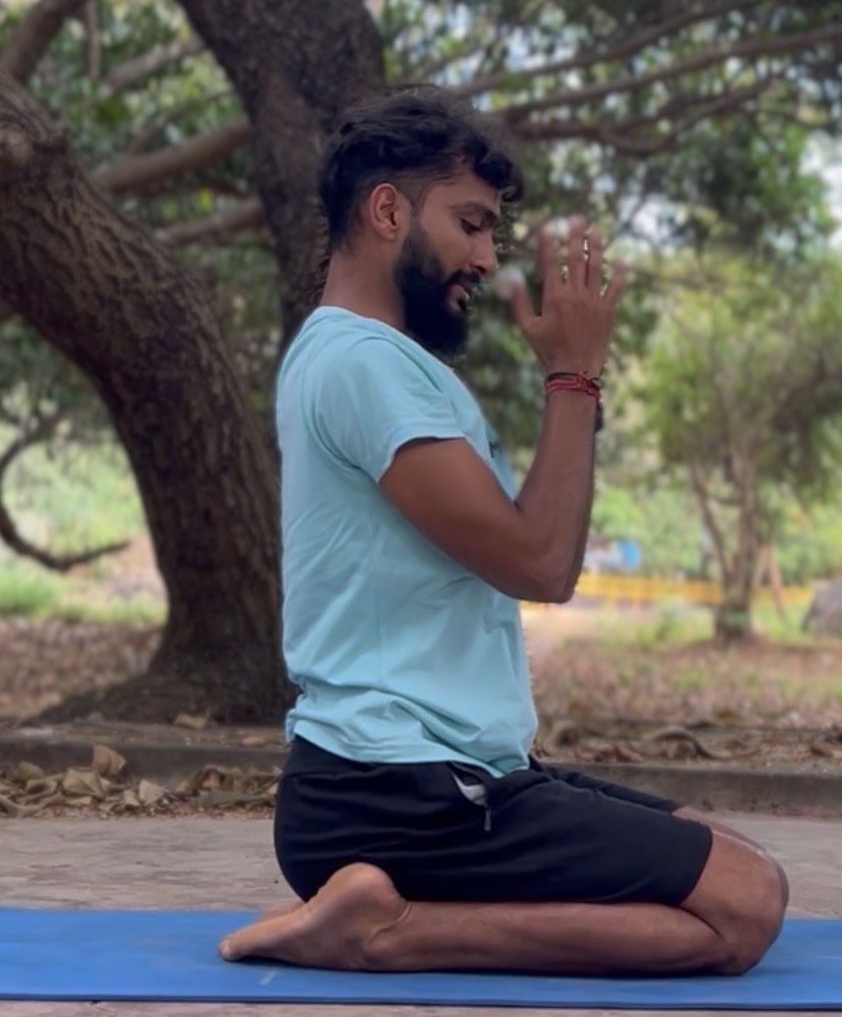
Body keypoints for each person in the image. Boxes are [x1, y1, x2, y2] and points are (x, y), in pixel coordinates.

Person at [218, 88, 790, 976]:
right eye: (471, 224)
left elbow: (529, 542)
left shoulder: (370, 360)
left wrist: (573, 385)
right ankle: (383, 930)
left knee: (711, 846)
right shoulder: (364, 363)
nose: (486, 258)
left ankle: (373, 908)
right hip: (394, 791)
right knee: (746, 904)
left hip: (431, 776)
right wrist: (574, 377)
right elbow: (540, 561)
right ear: (385, 210)